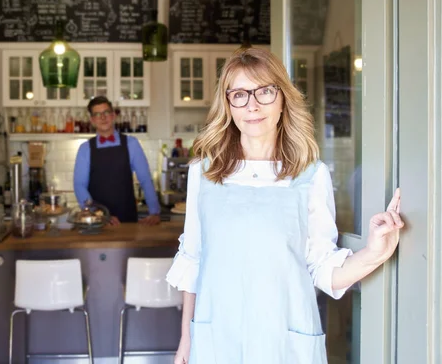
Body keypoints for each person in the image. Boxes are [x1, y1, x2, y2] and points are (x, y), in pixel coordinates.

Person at [165, 47, 404, 364]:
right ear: (228, 104)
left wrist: (375, 252)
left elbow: (321, 268)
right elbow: (193, 261)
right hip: (217, 339)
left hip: (286, 343)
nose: (252, 105)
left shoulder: (311, 175)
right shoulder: (204, 172)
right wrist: (187, 339)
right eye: (239, 94)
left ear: (282, 99)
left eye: (264, 91)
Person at [73, 96, 161, 226]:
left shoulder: (132, 143)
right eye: (97, 114)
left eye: (106, 112)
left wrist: (154, 211)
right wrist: (98, 214)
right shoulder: (85, 149)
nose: (103, 118)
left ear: (113, 115)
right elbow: (79, 185)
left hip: (128, 219)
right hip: (98, 223)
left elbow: (145, 179)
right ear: (92, 120)